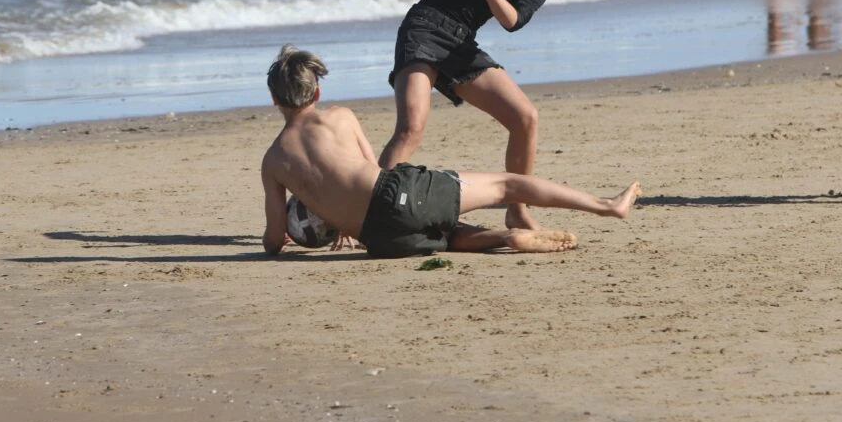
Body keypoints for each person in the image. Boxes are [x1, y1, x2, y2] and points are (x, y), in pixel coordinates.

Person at [261, 45, 642, 259]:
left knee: (445, 232)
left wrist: (324, 226)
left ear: (274, 99)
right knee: (506, 184)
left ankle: (504, 237)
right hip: (394, 195)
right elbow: (371, 171)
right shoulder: (340, 117)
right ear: (318, 91)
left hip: (379, 240)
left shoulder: (273, 160)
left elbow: (275, 239)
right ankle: (607, 206)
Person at [377, 0, 567, 233]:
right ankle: (365, 210)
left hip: (461, 44)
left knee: (525, 117)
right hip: (423, 28)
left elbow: (512, 21)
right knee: (411, 127)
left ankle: (517, 210)